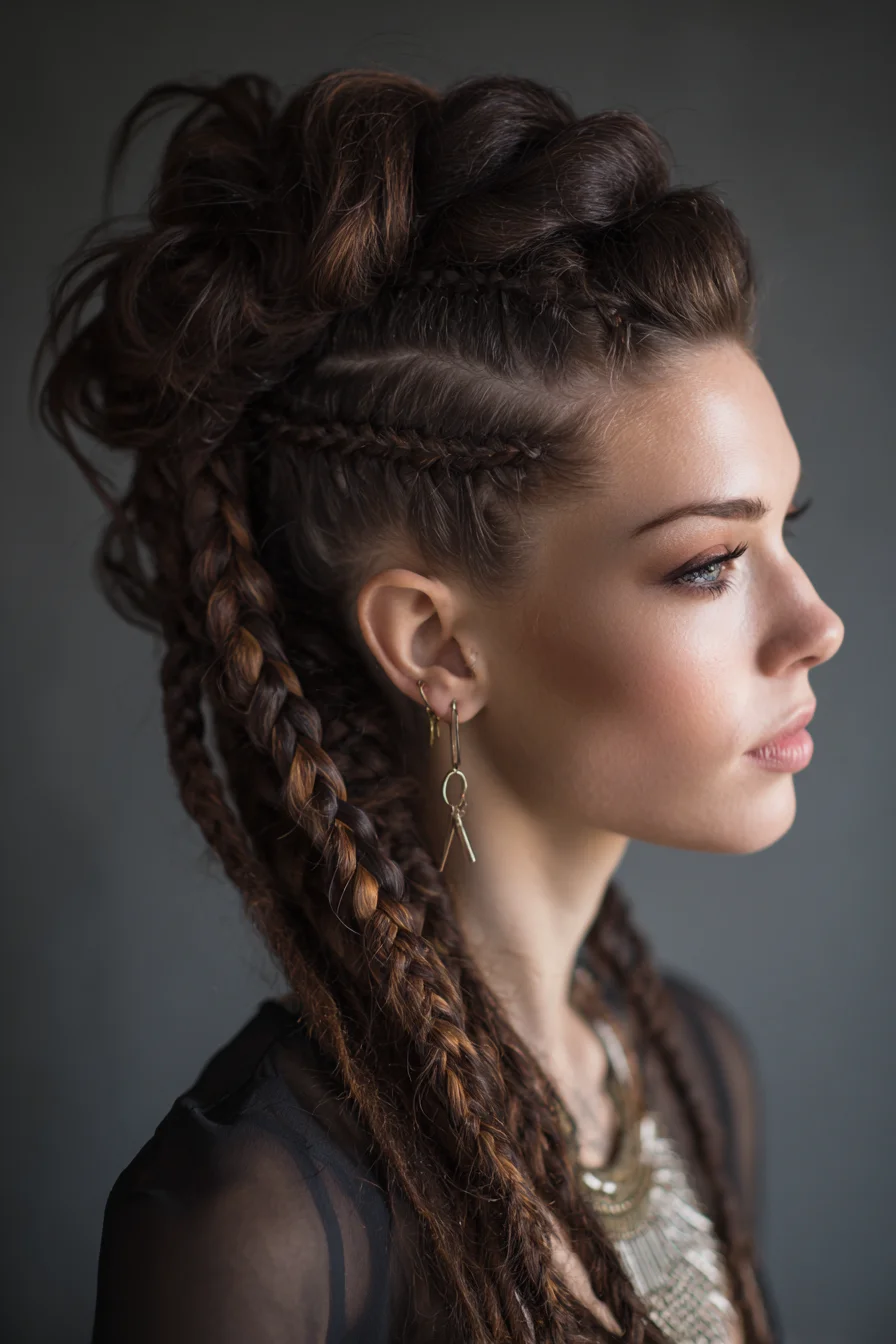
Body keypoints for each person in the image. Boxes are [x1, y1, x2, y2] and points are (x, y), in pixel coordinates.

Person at [31, 66, 844, 1344]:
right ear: (432, 643)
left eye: (782, 533)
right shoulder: (256, 1225)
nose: (817, 624)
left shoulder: (692, 1073)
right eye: (708, 564)